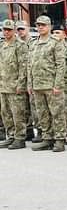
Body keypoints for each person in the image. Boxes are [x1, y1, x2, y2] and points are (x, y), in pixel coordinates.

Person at [27, 15, 67, 152]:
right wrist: (30, 84)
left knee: (57, 113)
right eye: (38, 25)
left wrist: (58, 85)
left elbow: (61, 65)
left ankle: (60, 139)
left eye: (43, 25)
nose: (40, 27)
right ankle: (47, 138)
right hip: (37, 85)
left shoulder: (55, 42)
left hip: (51, 85)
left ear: (49, 26)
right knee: (42, 114)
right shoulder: (33, 43)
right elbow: (29, 65)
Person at [0, 20, 28, 150]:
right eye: (4, 29)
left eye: (9, 30)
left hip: (15, 85)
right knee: (6, 113)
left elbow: (23, 66)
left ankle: (20, 138)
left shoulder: (20, 45)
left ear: (14, 30)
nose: (6, 32)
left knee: (18, 113)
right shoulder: (2, 45)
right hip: (3, 85)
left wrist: (21, 84)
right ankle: (10, 136)